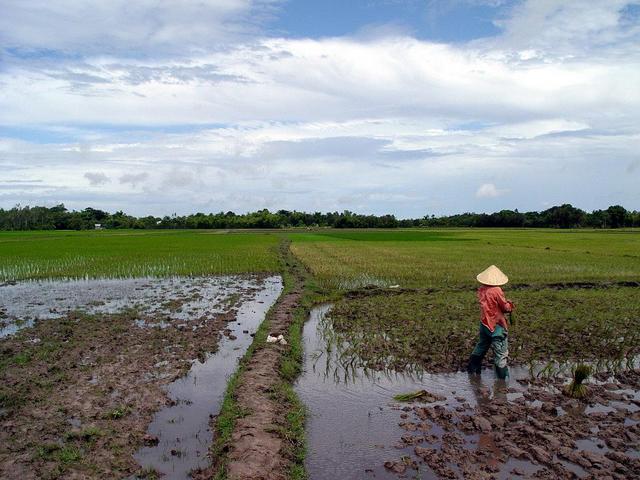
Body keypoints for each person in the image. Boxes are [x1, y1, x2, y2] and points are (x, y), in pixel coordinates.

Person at [467, 265, 514, 379]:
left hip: (484, 324)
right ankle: (502, 381)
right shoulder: (496, 290)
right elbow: (505, 308)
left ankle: (472, 370)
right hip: (497, 326)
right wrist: (510, 305)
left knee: (482, 345)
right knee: (501, 353)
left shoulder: (482, 289)